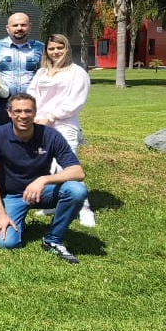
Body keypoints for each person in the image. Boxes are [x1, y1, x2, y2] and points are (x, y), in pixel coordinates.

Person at [0, 93, 89, 263]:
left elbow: (78, 172)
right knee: (6, 242)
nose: (23, 116)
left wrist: (43, 180)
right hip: (12, 195)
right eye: (17, 111)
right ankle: (17, 220)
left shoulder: (50, 135)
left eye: (27, 111)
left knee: (77, 190)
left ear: (35, 112)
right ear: (9, 113)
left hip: (42, 191)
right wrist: (1, 213)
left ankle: (53, 239)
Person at [27, 33, 96, 227]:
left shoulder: (77, 73)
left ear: (67, 49)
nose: (55, 52)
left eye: (60, 48)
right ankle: (53, 203)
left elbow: (76, 101)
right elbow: (31, 95)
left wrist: (52, 117)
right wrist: (34, 117)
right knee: (46, 166)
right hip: (40, 124)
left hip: (64, 124)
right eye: (51, 48)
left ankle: (84, 209)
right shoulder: (41, 73)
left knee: (67, 166)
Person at [0, 12, 44, 124]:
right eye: (15, 25)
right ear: (8, 28)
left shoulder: (40, 48)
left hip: (31, 104)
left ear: (30, 27)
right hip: (2, 104)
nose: (19, 28)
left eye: (23, 25)